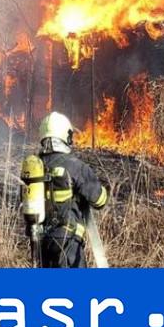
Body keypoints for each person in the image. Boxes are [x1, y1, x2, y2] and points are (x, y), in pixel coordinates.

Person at [31, 111, 109, 268]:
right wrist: (105, 187)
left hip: (40, 242)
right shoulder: (75, 166)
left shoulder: (35, 166)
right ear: (66, 136)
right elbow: (99, 201)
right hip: (68, 244)